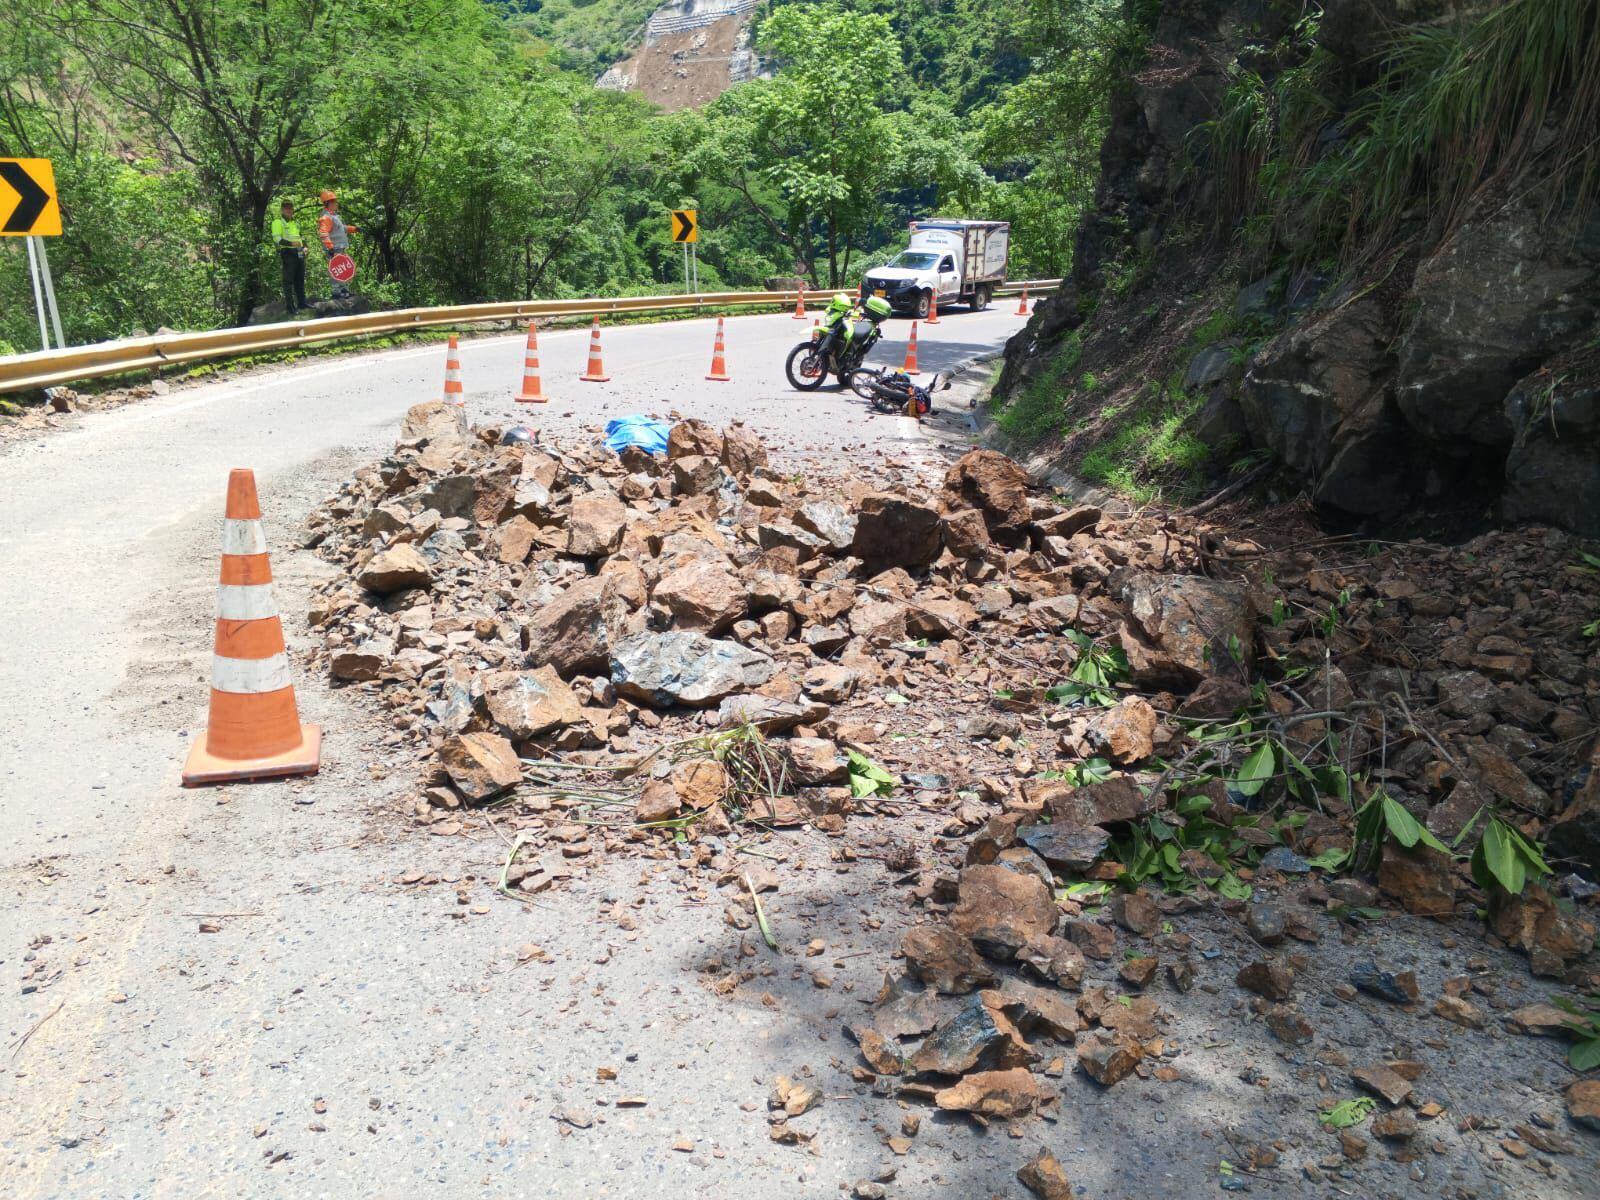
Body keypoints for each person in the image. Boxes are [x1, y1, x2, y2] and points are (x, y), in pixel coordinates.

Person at [316, 190, 359, 299]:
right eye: (334, 202)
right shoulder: (326, 217)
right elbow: (323, 232)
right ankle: (336, 291)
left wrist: (354, 229)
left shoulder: (333, 215)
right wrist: (330, 247)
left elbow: (342, 228)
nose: (336, 204)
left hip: (339, 248)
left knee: (342, 268)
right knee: (335, 268)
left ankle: (343, 288)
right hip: (334, 249)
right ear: (328, 203)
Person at [270, 199, 308, 314]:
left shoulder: (295, 222)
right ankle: (290, 306)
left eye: (291, 208)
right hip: (288, 252)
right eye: (286, 208)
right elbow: (276, 238)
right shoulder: (277, 222)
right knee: (288, 280)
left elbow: (300, 237)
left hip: (300, 251)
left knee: (300, 278)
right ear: (282, 209)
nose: (289, 210)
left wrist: (305, 246)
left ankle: (302, 303)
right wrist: (291, 244)